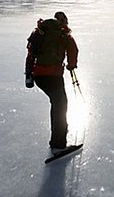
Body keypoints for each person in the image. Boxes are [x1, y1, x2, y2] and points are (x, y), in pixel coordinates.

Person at [25, 11, 79, 154]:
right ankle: (58, 145)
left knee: (56, 105)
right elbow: (73, 51)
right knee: (60, 107)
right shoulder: (64, 34)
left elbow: (30, 53)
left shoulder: (40, 32)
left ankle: (56, 141)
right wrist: (71, 65)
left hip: (38, 76)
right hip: (53, 76)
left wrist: (29, 73)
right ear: (64, 22)